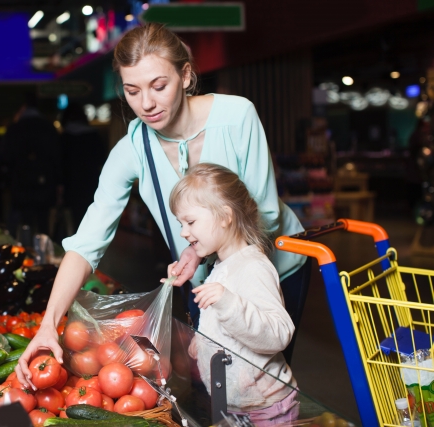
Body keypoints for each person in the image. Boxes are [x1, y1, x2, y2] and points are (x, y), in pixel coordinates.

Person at [15, 23, 306, 387]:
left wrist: (198, 254)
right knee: (218, 387)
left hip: (272, 265)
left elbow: (264, 214)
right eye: (132, 91)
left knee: (262, 383)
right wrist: (47, 324)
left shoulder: (237, 117)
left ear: (185, 75)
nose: (146, 104)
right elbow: (87, 242)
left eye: (159, 86)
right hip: (206, 280)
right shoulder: (133, 149)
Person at [167, 163, 297, 424]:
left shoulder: (253, 267)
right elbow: (226, 328)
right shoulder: (221, 265)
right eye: (181, 223)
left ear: (226, 216)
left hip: (268, 409)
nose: (183, 232)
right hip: (235, 403)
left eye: (190, 221)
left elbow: (279, 333)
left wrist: (228, 303)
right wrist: (203, 343)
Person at [0, 93, 62, 237]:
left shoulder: (15, 128)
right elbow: (57, 157)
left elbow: (5, 157)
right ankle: (44, 254)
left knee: (24, 224)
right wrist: (58, 182)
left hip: (21, 184)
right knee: (43, 223)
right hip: (44, 184)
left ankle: (26, 255)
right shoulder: (48, 127)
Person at [59, 102, 107, 230]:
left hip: (72, 184)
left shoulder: (65, 137)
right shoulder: (93, 135)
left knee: (75, 220)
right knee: (92, 217)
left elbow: (60, 164)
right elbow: (102, 159)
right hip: (91, 182)